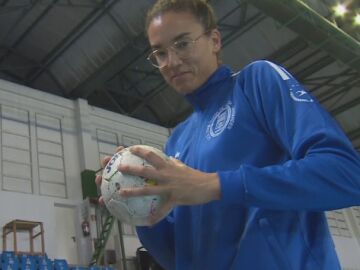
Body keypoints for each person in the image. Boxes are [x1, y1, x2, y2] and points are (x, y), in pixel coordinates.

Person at [95, 0, 360, 269]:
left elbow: (348, 175)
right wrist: (135, 205)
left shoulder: (255, 84)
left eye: (183, 43)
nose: (172, 62)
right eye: (160, 54)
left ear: (215, 40)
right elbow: (178, 258)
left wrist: (215, 185)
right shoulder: (177, 140)